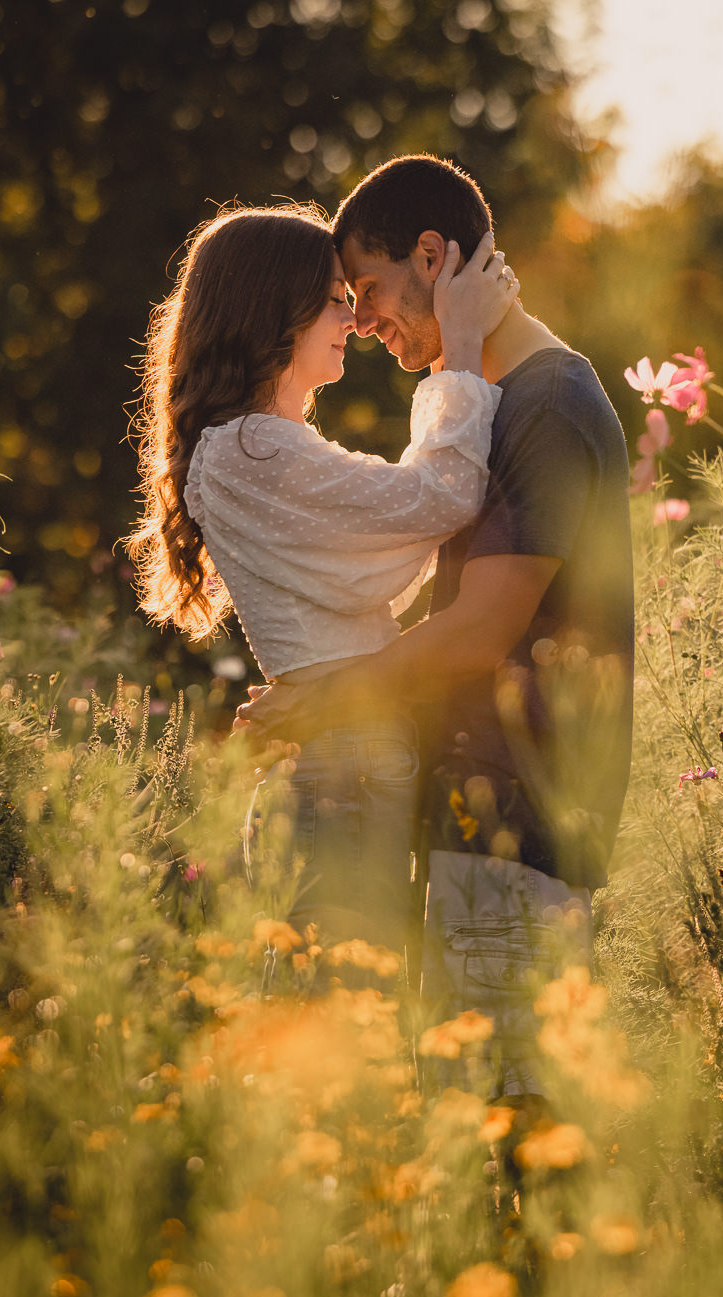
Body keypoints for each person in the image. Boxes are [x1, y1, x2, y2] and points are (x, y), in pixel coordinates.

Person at [237, 157, 634, 1101]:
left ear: (432, 255)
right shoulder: (497, 404)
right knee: (460, 1126)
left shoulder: (549, 403)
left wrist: (324, 698)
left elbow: (476, 632)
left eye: (369, 289)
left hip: (523, 812)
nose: (364, 321)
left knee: (513, 1122)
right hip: (468, 810)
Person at [124, 202, 518, 968]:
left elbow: (392, 554)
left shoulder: (271, 445)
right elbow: (435, 501)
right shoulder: (249, 450)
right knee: (337, 1026)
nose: (355, 318)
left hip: (349, 761)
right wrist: (460, 348)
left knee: (345, 1017)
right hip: (342, 772)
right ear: (276, 308)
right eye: (338, 298)